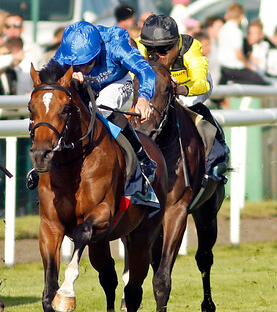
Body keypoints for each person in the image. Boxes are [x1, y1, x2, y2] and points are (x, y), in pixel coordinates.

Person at [36, 21, 160, 206]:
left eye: (86, 63)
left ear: (98, 50)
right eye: (76, 64)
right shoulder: (65, 52)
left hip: (117, 81)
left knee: (103, 106)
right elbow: (47, 79)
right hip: (88, 86)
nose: (82, 68)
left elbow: (146, 71)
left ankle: (142, 159)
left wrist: (144, 98)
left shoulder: (116, 43)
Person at [137, 14, 230, 183]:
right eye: (151, 50)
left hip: (189, 86)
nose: (157, 56)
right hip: (158, 86)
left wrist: (180, 89)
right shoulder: (140, 46)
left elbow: (202, 83)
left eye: (163, 49)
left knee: (186, 105)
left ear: (176, 44)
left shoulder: (190, 48)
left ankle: (215, 158)